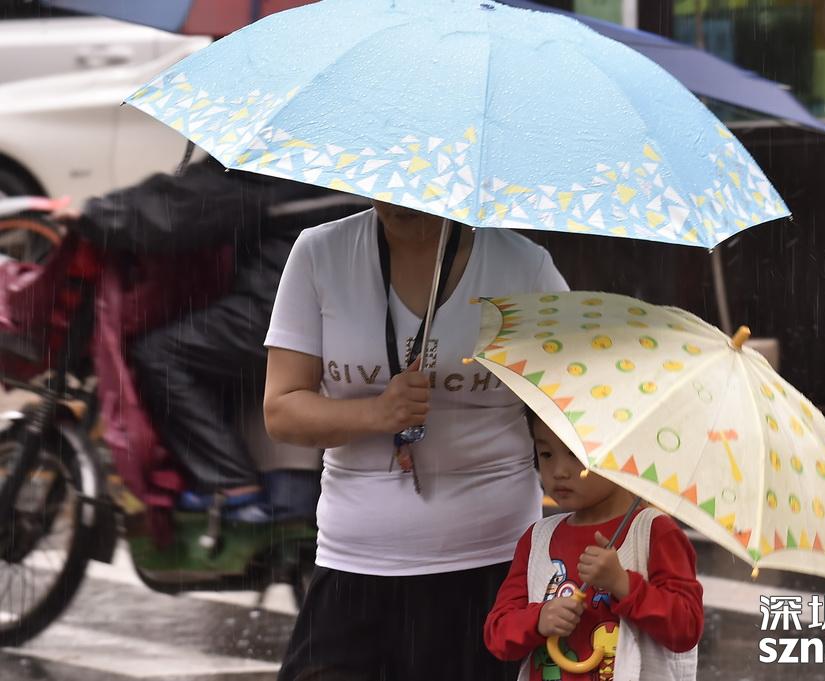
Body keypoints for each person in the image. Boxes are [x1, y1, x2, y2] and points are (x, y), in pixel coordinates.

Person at [263, 201, 569, 681]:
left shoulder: (524, 267)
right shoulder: (320, 252)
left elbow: (570, 405)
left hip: (493, 567)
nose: (401, 204)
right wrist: (375, 413)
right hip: (353, 566)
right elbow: (281, 410)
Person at [69, 154, 358, 520]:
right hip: (350, 309)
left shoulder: (273, 158)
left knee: (161, 355)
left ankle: (229, 483)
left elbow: (181, 208)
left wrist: (93, 216)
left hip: (285, 309)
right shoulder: (346, 157)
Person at [484, 416, 704, 681]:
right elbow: (498, 634)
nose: (559, 471)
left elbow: (686, 628)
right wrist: (539, 619)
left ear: (621, 451)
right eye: (546, 454)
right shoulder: (537, 539)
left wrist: (623, 584)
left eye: (576, 455)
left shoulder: (655, 533)